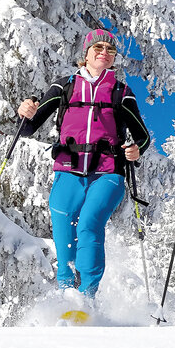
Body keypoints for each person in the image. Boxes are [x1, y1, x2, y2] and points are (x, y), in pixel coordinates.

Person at [17, 29, 150, 298]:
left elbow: (142, 137)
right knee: (64, 229)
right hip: (68, 168)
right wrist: (25, 113)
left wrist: (135, 150)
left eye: (110, 50)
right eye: (98, 47)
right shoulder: (64, 86)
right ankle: (68, 293)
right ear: (85, 53)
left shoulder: (120, 92)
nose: (104, 52)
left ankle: (87, 297)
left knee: (89, 223)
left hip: (108, 172)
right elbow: (28, 128)